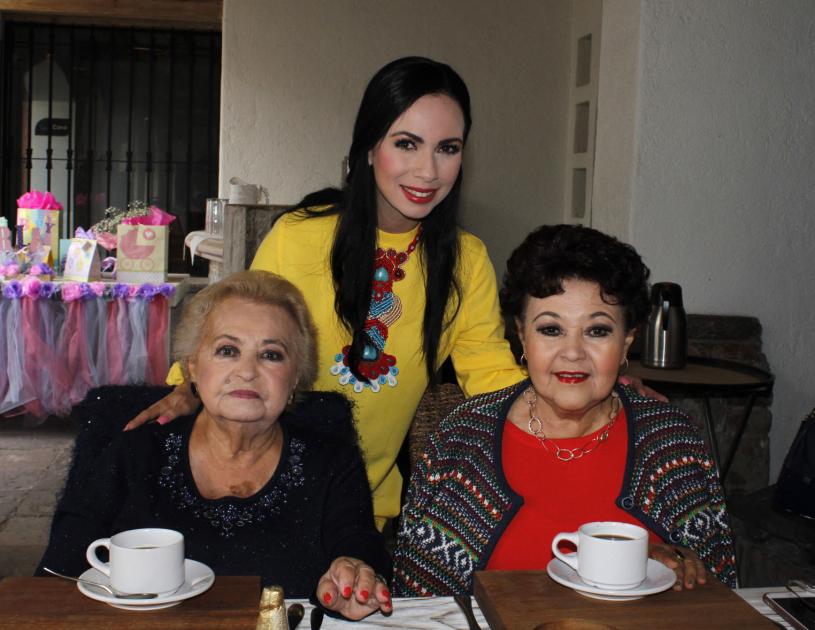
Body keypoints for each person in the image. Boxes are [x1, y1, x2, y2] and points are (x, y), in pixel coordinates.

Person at [126, 57, 655, 529]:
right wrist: (185, 387)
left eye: (447, 149)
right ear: (369, 147)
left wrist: (595, 392)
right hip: (253, 486)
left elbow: (490, 377)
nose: (428, 171)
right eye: (406, 144)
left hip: (363, 510)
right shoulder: (299, 236)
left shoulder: (465, 260)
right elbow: (233, 331)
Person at [392, 224, 736, 596]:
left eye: (597, 331)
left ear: (626, 343)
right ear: (522, 335)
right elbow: (419, 605)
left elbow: (721, 597)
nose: (572, 353)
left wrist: (670, 570)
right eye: (551, 330)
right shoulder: (460, 441)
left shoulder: (671, 442)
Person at [37, 271, 392, 620]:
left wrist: (356, 572)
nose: (247, 372)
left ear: (296, 377)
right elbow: (54, 576)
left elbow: (358, 542)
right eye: (227, 350)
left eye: (271, 354)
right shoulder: (133, 454)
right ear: (192, 366)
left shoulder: (331, 462)